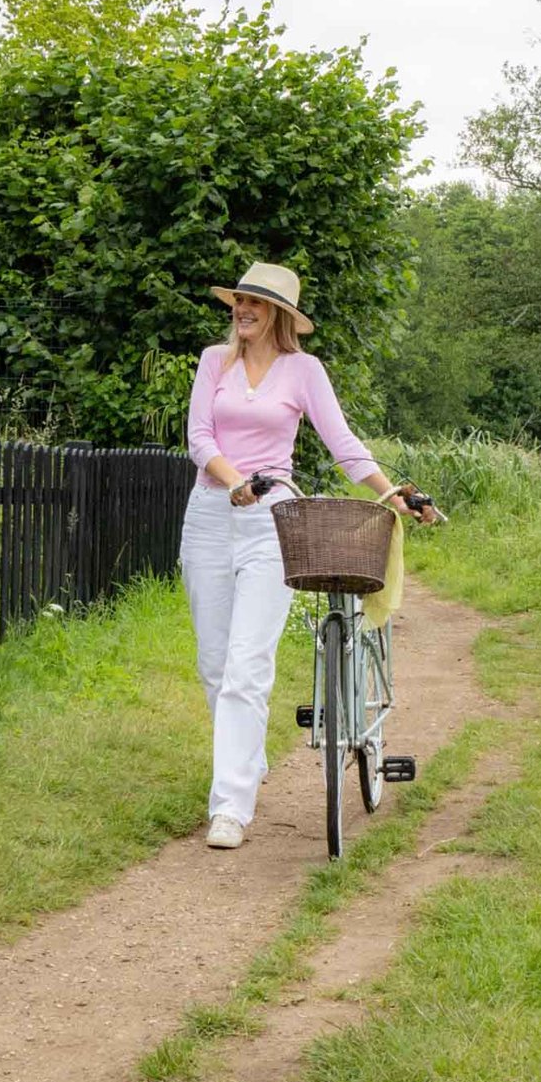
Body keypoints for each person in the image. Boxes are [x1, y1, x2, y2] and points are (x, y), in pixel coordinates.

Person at [182, 262, 424, 852]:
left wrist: (394, 493)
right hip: (210, 516)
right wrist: (234, 480)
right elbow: (199, 438)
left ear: (279, 316)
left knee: (246, 664)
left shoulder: (303, 370)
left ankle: (231, 807)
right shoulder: (215, 362)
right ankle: (247, 758)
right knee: (215, 667)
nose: (243, 310)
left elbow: (343, 445)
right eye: (239, 301)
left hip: (272, 521)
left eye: (255, 304)